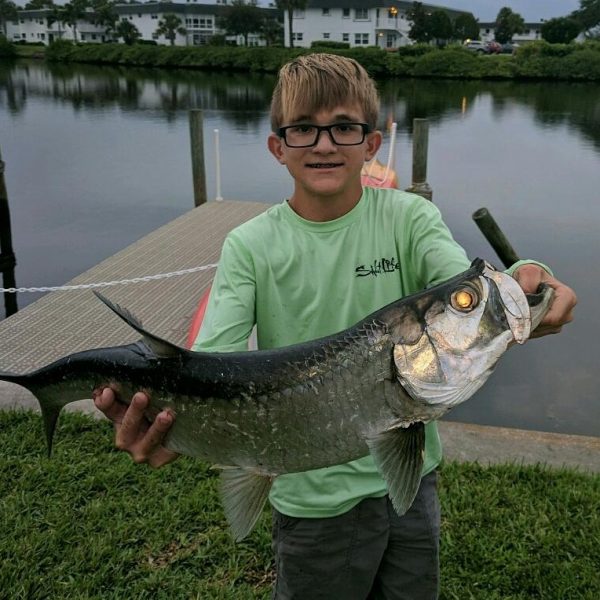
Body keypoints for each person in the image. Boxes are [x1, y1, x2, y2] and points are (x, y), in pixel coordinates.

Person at [94, 54, 577, 599]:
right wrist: (174, 427)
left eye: (344, 127)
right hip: (310, 499)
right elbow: (211, 367)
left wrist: (528, 281)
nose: (325, 144)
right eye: (304, 129)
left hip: (412, 482)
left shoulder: (409, 219)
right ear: (278, 146)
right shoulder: (250, 246)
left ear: (371, 143)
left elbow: (460, 287)